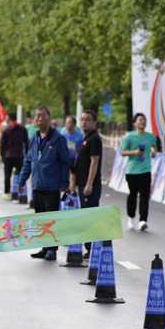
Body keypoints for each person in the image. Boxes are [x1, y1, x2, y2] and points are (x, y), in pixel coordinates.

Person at [17, 106, 71, 261]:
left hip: (52, 186)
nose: (39, 118)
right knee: (40, 219)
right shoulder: (34, 139)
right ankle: (44, 247)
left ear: (49, 118)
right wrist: (22, 180)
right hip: (37, 185)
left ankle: (52, 250)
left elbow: (65, 162)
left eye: (42, 115)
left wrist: (64, 183)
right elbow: (28, 161)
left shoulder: (58, 139)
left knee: (50, 220)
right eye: (37, 116)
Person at [69, 109, 102, 258]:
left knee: (90, 217)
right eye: (82, 119)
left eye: (88, 119)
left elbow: (94, 162)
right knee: (86, 215)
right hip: (81, 183)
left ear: (94, 122)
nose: (84, 122)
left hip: (90, 186)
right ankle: (90, 248)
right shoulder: (84, 139)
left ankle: (93, 248)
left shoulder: (94, 139)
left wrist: (89, 184)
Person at [121, 113, 157, 231]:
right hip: (132, 171)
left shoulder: (150, 136)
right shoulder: (129, 136)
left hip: (145, 170)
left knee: (144, 196)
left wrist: (152, 151)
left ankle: (143, 220)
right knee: (132, 195)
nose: (143, 122)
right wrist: (135, 153)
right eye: (140, 120)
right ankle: (131, 217)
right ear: (134, 123)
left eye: (144, 120)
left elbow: (153, 147)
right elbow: (123, 152)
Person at [0, 113, 28, 201]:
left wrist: (2, 155)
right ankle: (21, 194)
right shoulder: (22, 128)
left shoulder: (7, 130)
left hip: (8, 156)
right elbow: (26, 142)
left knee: (7, 175)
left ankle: (7, 193)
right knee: (21, 175)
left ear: (9, 119)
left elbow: (2, 144)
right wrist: (26, 153)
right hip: (19, 156)